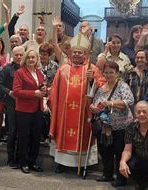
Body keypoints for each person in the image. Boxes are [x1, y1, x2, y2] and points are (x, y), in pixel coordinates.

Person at [49, 32, 105, 173]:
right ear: (70, 53)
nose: (77, 55)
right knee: (63, 135)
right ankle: (62, 163)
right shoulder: (63, 70)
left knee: (83, 136)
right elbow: (55, 90)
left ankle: (83, 164)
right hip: (64, 113)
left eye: (80, 53)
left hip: (83, 112)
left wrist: (92, 80)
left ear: (85, 54)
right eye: (74, 52)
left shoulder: (92, 70)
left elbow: (103, 88)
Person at [90, 61, 134, 187]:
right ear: (103, 73)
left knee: (119, 152)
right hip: (105, 127)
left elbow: (129, 101)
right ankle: (107, 174)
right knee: (105, 151)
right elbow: (96, 103)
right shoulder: (101, 89)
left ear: (117, 73)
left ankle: (121, 178)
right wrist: (93, 107)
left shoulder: (122, 86)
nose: (109, 75)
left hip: (122, 127)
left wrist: (111, 103)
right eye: (106, 72)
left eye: (111, 72)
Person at [12, 49, 45, 174]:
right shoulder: (20, 73)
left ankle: (33, 161)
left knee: (35, 137)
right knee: (24, 137)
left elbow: (40, 88)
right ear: (25, 59)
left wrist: (43, 90)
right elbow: (17, 91)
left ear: (37, 59)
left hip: (37, 109)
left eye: (34, 57)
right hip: (24, 110)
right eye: (29, 57)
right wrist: (34, 93)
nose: (31, 60)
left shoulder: (39, 72)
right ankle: (23, 162)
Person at [0, 46, 25, 168]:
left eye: (20, 55)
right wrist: (9, 92)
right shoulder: (7, 69)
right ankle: (10, 158)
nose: (19, 57)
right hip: (11, 103)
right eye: (16, 55)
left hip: (25, 104)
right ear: (12, 56)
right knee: (12, 131)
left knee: (22, 132)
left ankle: (20, 158)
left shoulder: (27, 68)